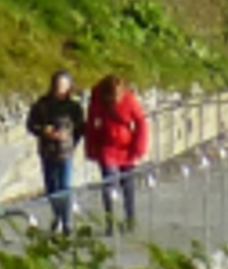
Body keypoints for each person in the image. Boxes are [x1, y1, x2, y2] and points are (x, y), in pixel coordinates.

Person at [82, 74, 149, 227]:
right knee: (109, 183)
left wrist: (139, 147)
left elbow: (140, 122)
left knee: (128, 184)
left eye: (118, 96)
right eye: (112, 97)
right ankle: (110, 220)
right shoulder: (97, 98)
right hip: (107, 146)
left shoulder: (129, 99)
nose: (116, 100)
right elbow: (92, 122)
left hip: (127, 147)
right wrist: (91, 147)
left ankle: (130, 218)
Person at [25, 68, 84, 230]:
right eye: (58, 85)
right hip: (47, 152)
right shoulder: (42, 105)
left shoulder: (73, 107)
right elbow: (31, 125)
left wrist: (70, 140)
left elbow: (80, 128)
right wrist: (44, 131)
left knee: (64, 186)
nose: (61, 89)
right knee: (51, 188)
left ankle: (66, 222)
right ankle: (57, 216)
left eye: (64, 86)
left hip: (65, 153)